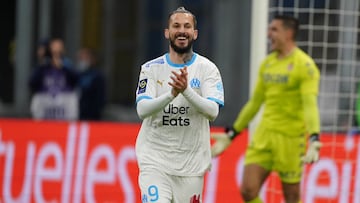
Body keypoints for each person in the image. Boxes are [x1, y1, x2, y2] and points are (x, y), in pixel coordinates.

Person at [211, 15, 322, 203]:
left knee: (292, 197)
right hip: (264, 137)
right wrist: (232, 132)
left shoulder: (305, 66)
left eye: (274, 30)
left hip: (290, 140)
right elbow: (255, 103)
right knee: (247, 190)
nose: (269, 34)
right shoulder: (267, 63)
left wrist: (314, 137)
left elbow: (310, 104)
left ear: (289, 33)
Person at [135, 7, 224, 203]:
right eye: (176, 26)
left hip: (191, 167)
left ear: (195, 33)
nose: (181, 31)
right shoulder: (151, 69)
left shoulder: (207, 69)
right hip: (155, 162)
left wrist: (187, 91)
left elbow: (212, 112)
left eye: (187, 26)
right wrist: (172, 94)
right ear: (167, 32)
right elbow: (142, 110)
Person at [29, 38, 79, 120]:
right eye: (54, 47)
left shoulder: (67, 64)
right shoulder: (43, 66)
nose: (56, 50)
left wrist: (63, 66)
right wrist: (44, 64)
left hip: (64, 106)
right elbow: (32, 83)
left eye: (59, 47)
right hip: (45, 104)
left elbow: (76, 80)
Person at [75, 48, 106, 120]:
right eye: (80, 58)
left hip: (92, 116)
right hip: (78, 114)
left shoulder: (97, 76)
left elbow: (100, 98)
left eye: (84, 58)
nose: (81, 61)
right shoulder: (77, 74)